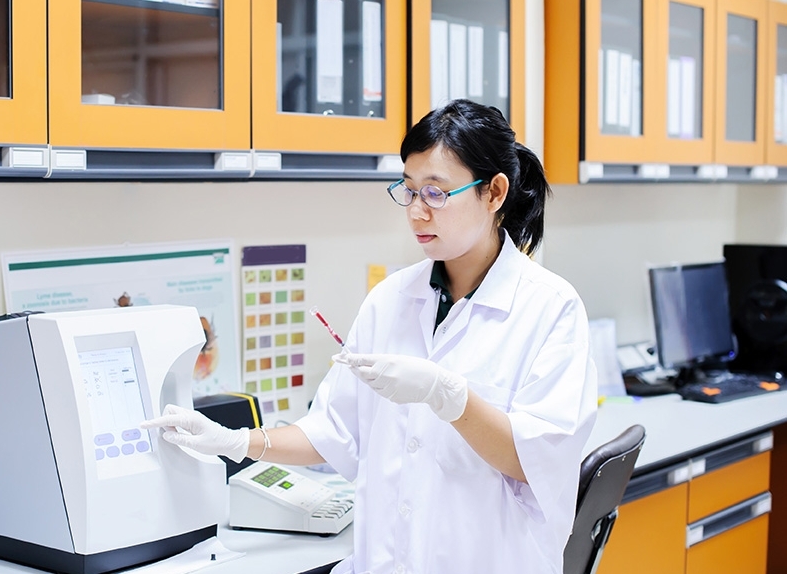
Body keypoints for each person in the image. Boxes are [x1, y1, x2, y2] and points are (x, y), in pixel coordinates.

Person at [142, 99, 598, 574]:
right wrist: (236, 442)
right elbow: (334, 432)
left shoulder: (550, 309)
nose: (417, 212)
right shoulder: (391, 300)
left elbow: (537, 459)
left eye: (436, 193)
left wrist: (449, 396)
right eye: (409, 190)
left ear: (495, 192)